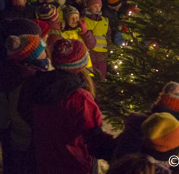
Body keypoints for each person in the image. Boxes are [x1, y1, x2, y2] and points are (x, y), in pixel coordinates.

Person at [18, 38, 115, 173]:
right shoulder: (80, 97)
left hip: (44, 160)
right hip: (75, 164)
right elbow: (94, 137)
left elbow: (24, 113)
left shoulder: (34, 84)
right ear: (81, 63)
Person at [0, 34, 49, 174]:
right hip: (31, 138)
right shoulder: (34, 80)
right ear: (33, 57)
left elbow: (3, 110)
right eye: (43, 50)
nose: (46, 52)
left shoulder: (10, 73)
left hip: (16, 137)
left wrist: (2, 128)